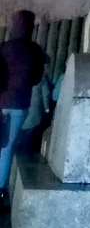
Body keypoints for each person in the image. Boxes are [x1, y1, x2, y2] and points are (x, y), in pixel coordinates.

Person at [0, 11, 46, 197]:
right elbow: (36, 80)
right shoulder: (35, 51)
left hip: (0, 101)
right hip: (20, 104)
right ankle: (0, 190)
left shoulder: (3, 47)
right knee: (7, 149)